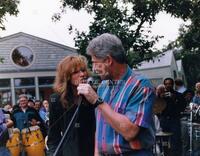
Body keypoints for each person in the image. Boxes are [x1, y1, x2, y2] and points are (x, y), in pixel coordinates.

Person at [77, 33, 155, 156]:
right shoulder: (103, 86)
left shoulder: (141, 85)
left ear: (108, 60)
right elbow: (100, 128)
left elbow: (130, 132)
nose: (93, 69)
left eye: (95, 62)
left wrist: (98, 102)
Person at [46, 55, 96, 156]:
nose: (82, 74)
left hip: (93, 150)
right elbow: (53, 136)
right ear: (66, 76)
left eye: (83, 70)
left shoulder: (94, 95)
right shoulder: (57, 100)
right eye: (76, 72)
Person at [160, 77, 187, 156]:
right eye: (166, 84)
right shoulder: (161, 95)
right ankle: (166, 154)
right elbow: (156, 108)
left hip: (174, 120)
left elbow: (182, 107)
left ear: (173, 84)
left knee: (176, 140)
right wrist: (159, 98)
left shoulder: (179, 95)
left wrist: (174, 99)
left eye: (170, 84)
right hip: (164, 120)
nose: (168, 85)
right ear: (164, 85)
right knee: (164, 140)